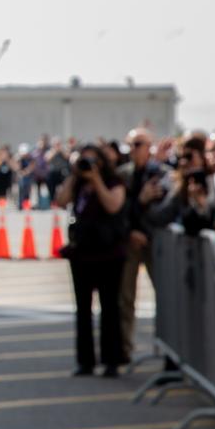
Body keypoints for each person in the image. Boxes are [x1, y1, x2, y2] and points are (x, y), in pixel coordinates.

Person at [54, 143, 127, 377]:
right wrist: (74, 176)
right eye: (83, 161)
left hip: (108, 253)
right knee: (83, 310)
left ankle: (112, 360)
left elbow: (113, 205)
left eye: (92, 161)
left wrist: (96, 180)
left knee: (109, 308)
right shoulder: (78, 184)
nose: (87, 166)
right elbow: (61, 200)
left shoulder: (113, 183)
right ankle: (85, 361)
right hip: (82, 252)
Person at [116, 127, 156, 363]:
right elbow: (119, 209)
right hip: (129, 240)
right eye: (130, 145)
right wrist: (131, 229)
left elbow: (164, 209)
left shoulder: (159, 173)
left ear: (149, 146)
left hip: (154, 241)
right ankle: (125, 348)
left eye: (138, 144)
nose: (133, 149)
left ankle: (167, 348)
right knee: (126, 297)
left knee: (164, 295)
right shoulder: (122, 175)